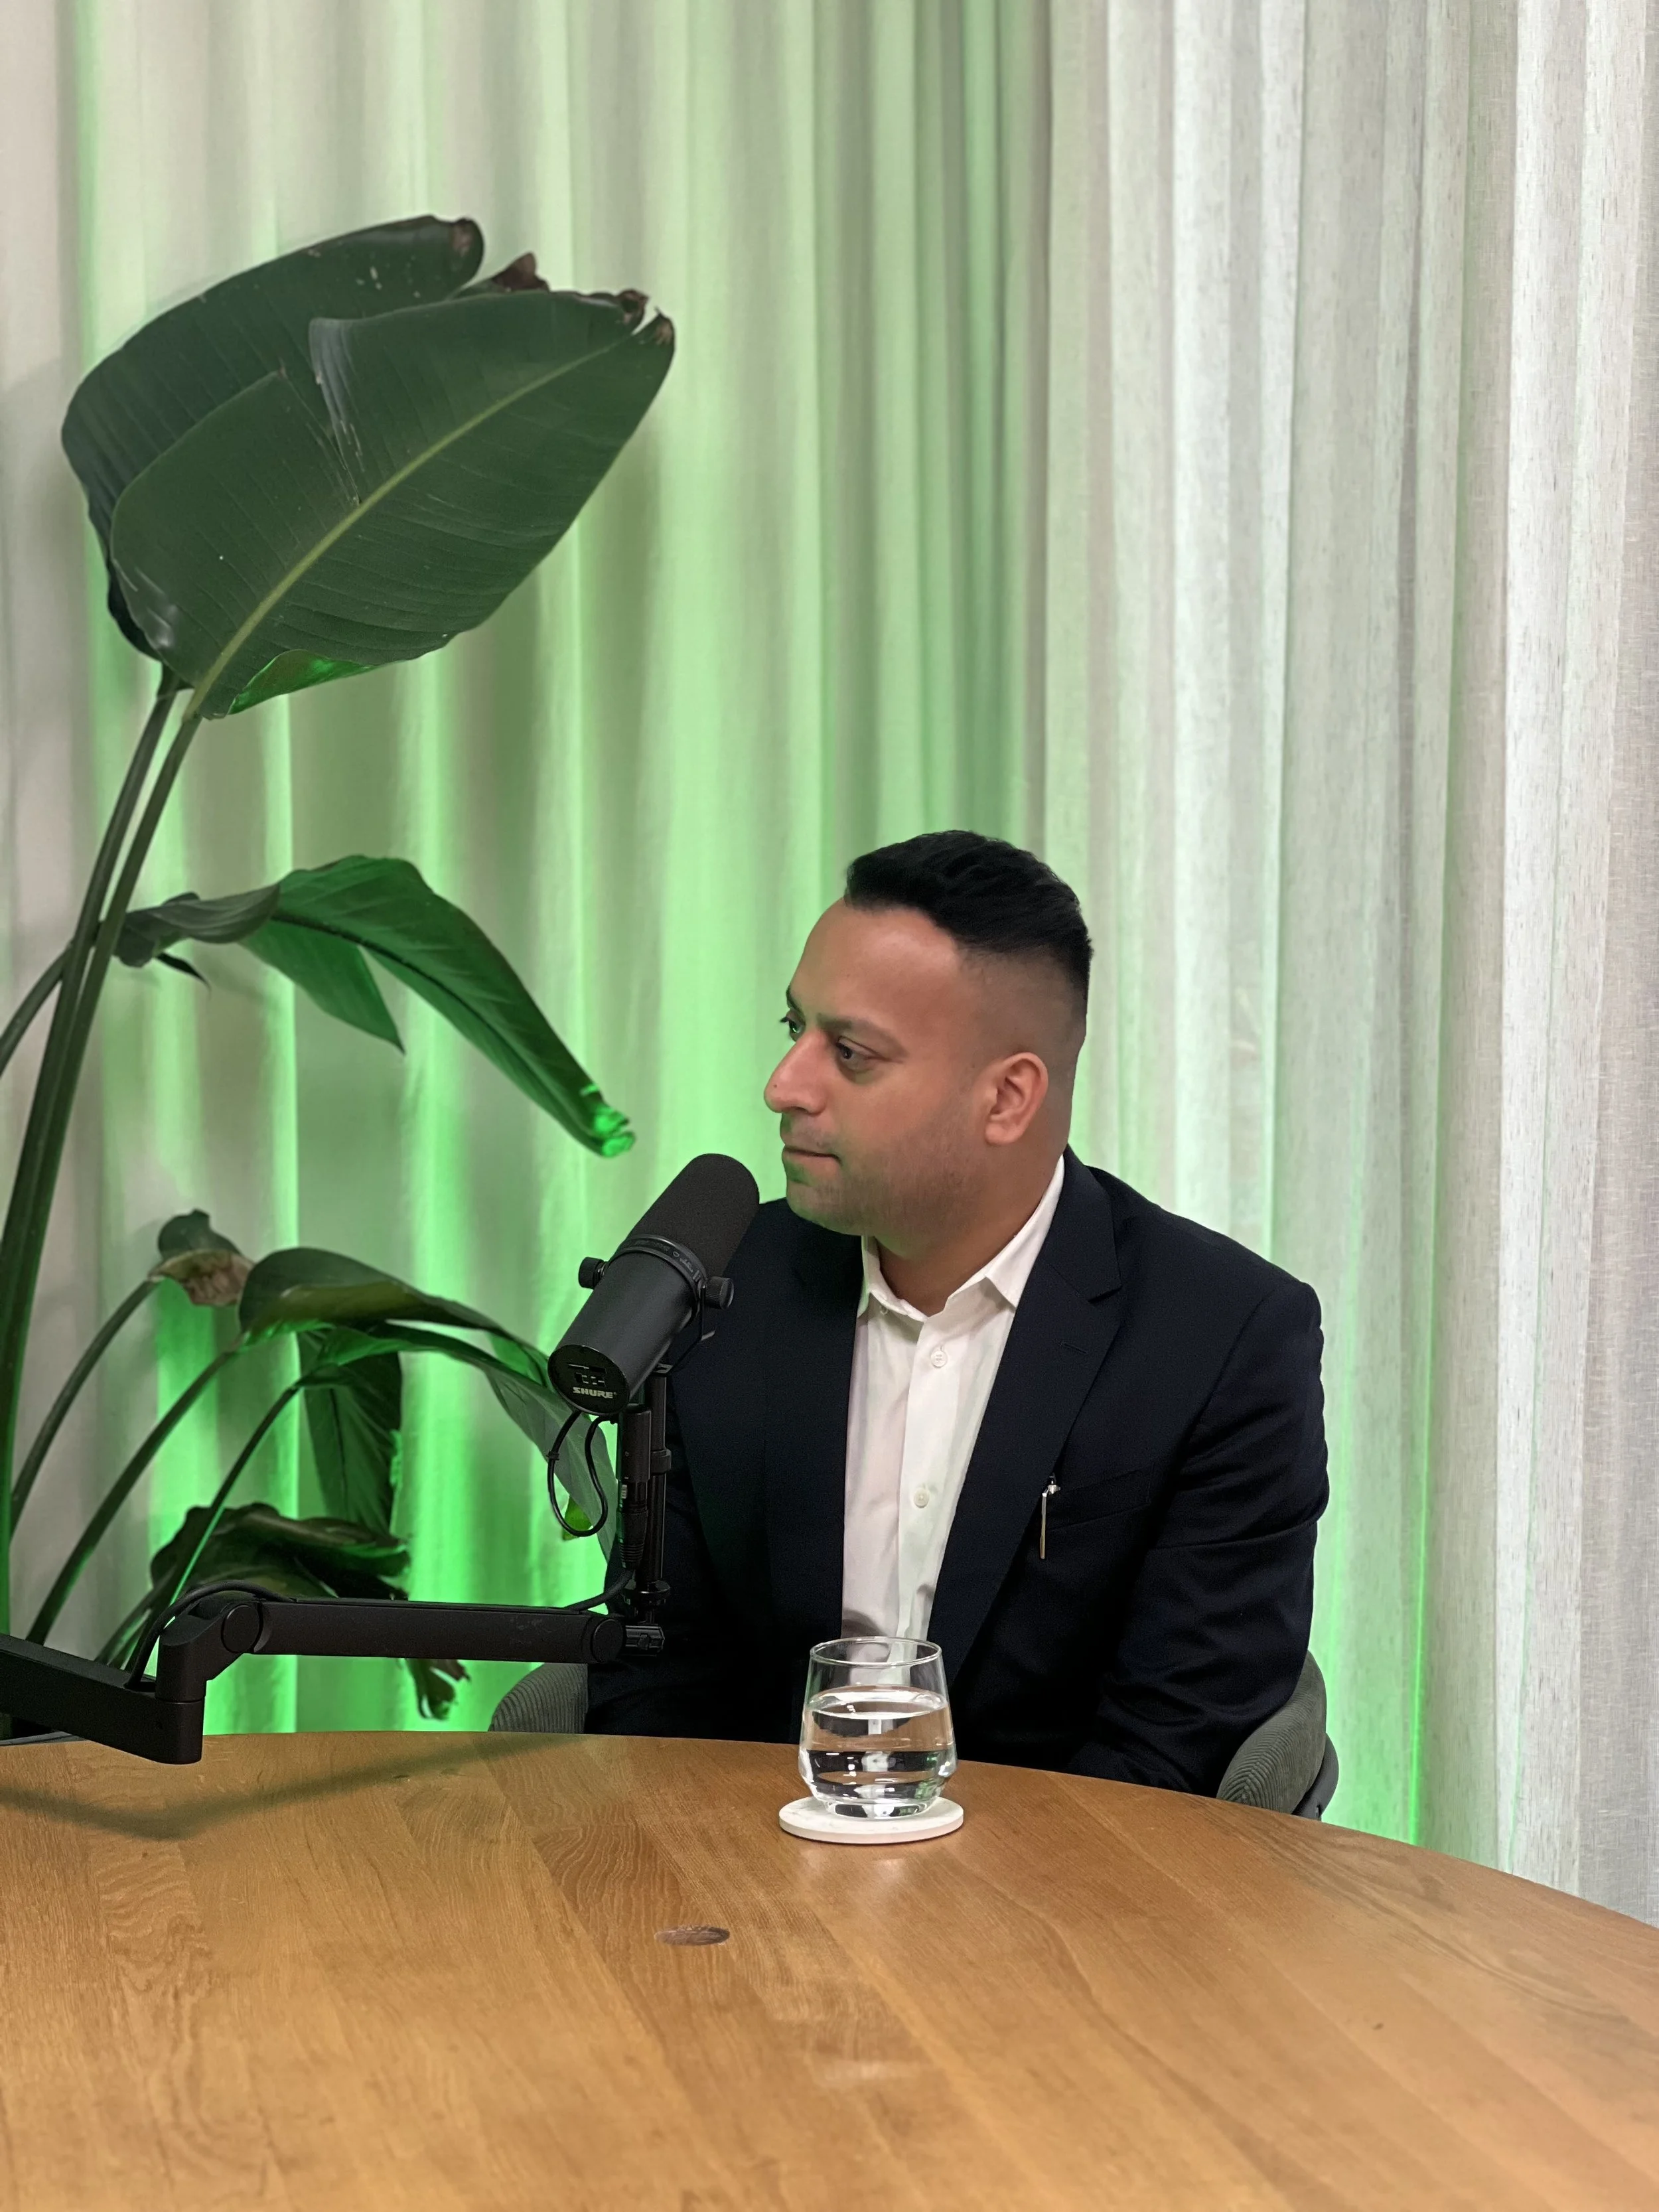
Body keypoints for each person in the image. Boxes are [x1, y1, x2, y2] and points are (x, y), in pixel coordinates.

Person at [586, 830, 1327, 1793]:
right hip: (749, 1888)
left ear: (1008, 1098)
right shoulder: (724, 1289)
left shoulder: (1222, 1337)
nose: (785, 1086)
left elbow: (1174, 1745)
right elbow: (661, 1677)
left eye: (849, 1053)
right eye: (793, 1030)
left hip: (1075, 1907)